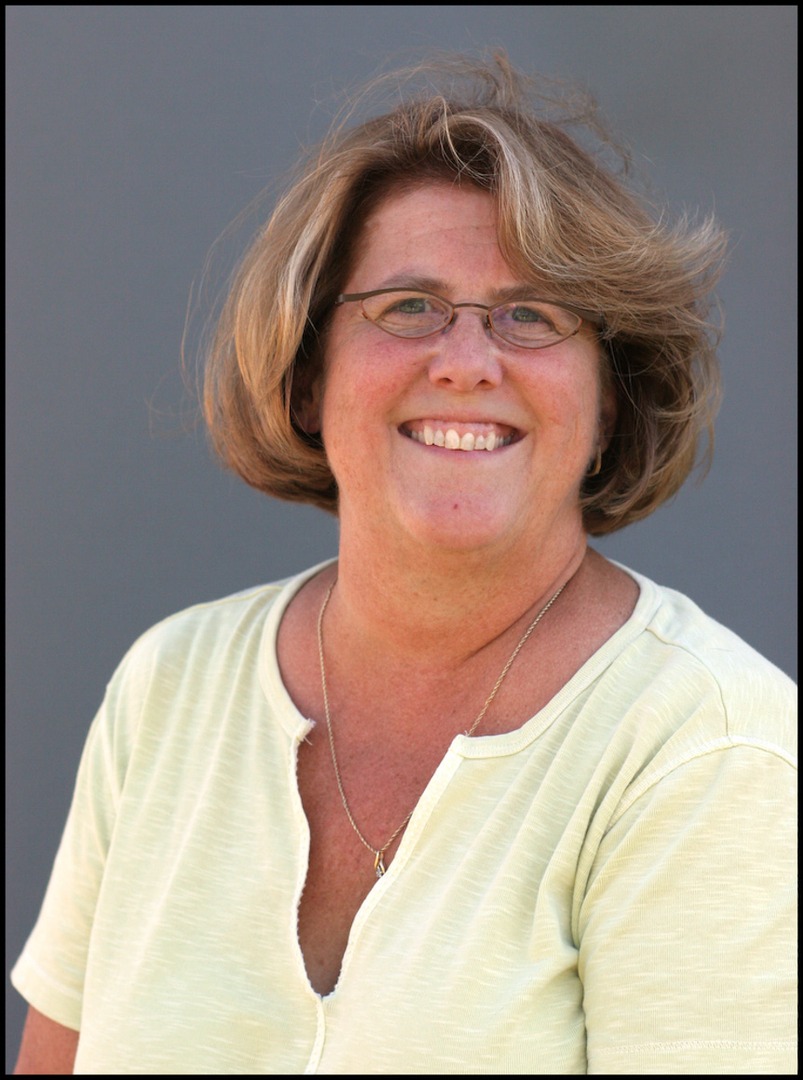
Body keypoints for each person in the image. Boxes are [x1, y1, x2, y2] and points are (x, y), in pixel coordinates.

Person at [12, 52, 796, 1075]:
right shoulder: (168, 689)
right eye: (407, 307)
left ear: (608, 401)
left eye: (531, 313)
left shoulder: (706, 754)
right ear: (305, 376)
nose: (466, 360)